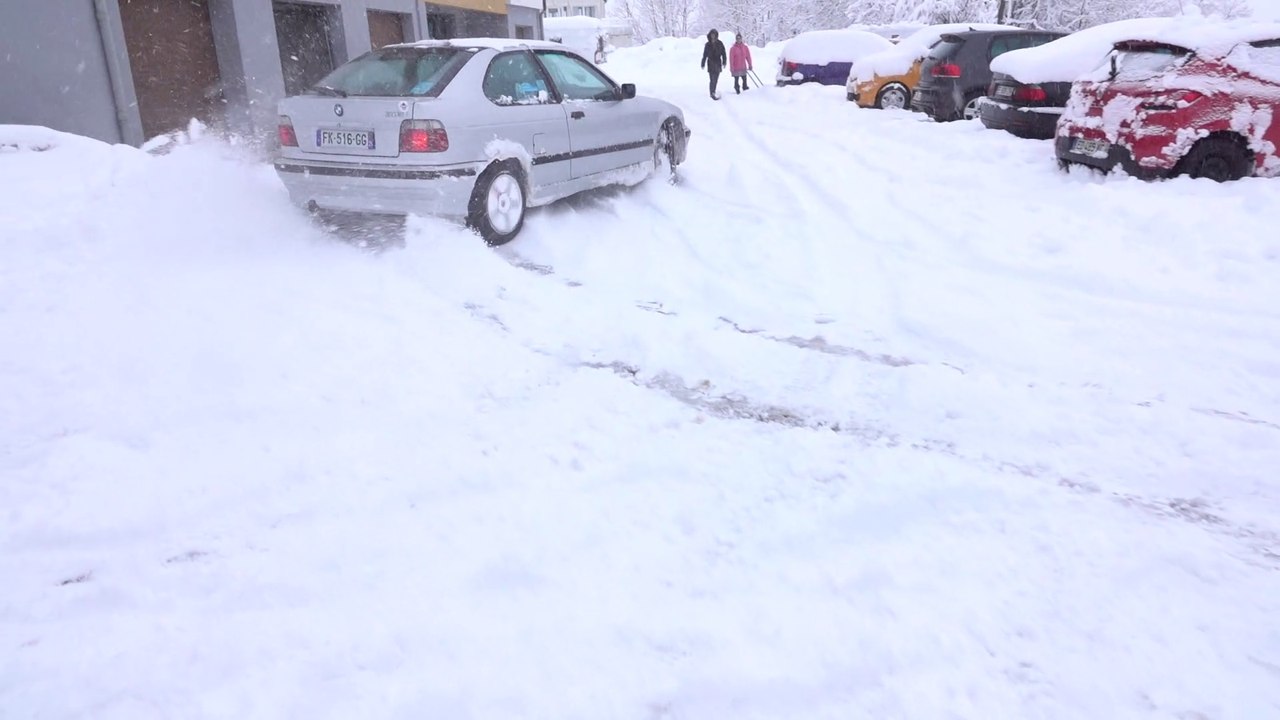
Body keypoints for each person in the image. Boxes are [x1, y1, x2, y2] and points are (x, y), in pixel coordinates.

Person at [700, 29, 727, 100]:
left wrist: (724, 61)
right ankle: (712, 92)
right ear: (710, 35)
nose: (713, 36)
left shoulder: (720, 43)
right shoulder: (707, 44)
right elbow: (705, 55)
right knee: (712, 79)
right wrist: (703, 62)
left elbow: (723, 53)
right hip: (710, 63)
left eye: (714, 34)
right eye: (711, 34)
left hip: (718, 62)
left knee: (716, 78)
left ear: (716, 35)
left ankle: (713, 91)